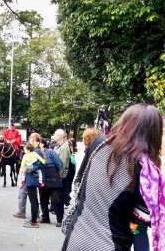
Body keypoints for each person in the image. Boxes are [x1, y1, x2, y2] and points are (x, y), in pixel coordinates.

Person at [62, 104, 163, 250]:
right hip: (110, 245)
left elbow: (79, 181)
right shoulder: (147, 172)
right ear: (153, 134)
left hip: (76, 238)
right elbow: (137, 229)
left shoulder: (98, 143)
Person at [39, 138, 64, 227]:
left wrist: (57, 175)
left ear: (42, 144)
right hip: (42, 175)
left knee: (56, 199)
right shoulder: (36, 153)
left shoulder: (50, 152)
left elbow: (60, 164)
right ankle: (45, 217)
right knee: (43, 198)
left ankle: (59, 219)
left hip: (52, 173)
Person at [19, 143, 45, 228]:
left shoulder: (31, 158)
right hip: (34, 179)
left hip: (31, 181)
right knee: (34, 200)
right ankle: (34, 219)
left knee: (33, 201)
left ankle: (33, 221)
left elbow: (30, 167)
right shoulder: (36, 156)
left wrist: (26, 168)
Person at [53, 129, 72, 207]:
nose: (53, 136)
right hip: (57, 173)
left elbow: (63, 163)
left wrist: (58, 174)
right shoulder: (58, 145)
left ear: (59, 137)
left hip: (61, 174)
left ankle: (61, 205)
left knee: (61, 190)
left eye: (55, 134)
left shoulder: (64, 146)